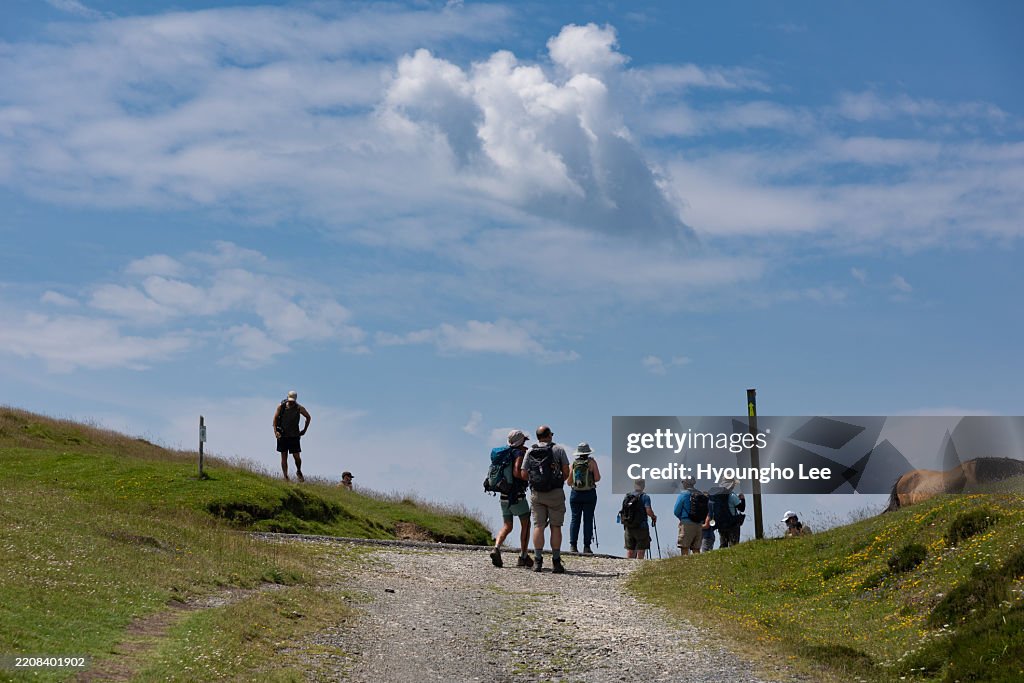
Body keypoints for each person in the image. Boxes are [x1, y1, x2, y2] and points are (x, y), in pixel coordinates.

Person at [518, 425, 571, 573]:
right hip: (555, 492)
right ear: (548, 435)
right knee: (556, 527)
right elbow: (566, 471)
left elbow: (523, 473)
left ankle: (538, 561)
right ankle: (556, 562)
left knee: (538, 526)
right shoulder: (558, 450)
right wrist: (557, 480)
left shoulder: (530, 450)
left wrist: (535, 481)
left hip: (537, 494)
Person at [489, 430, 534, 569]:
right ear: (520, 442)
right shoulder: (518, 454)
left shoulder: (504, 453)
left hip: (503, 495)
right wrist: (529, 476)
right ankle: (523, 556)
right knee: (526, 524)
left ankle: (496, 548)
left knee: (507, 526)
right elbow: (516, 472)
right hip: (516, 495)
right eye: (524, 441)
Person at [568, 442, 601, 554]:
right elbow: (597, 478)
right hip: (589, 494)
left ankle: (573, 545)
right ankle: (586, 547)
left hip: (575, 494)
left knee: (574, 520)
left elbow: (568, 482)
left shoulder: (574, 463)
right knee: (588, 520)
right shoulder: (592, 462)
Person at [273, 390, 310, 482]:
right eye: (290, 400)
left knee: (296, 456)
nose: (291, 402)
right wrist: (275, 432)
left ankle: (298, 471)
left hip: (294, 435)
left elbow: (308, 417)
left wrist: (304, 430)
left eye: (292, 400)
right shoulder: (281, 407)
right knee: (284, 456)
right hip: (282, 435)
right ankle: (285, 477)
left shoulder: (299, 408)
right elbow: (275, 419)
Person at [621, 478, 657, 559]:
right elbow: (648, 510)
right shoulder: (645, 497)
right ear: (643, 486)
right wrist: (653, 517)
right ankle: (639, 566)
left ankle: (628, 567)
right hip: (641, 527)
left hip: (629, 526)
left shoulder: (627, 496)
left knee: (630, 549)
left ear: (634, 485)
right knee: (641, 549)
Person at [709, 478, 745, 548]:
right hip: (732, 523)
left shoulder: (717, 495)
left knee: (723, 544)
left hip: (721, 523)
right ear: (731, 485)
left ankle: (721, 558)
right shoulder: (732, 495)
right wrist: (742, 499)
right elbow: (742, 508)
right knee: (734, 545)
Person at [673, 477, 704, 555]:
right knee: (696, 549)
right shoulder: (700, 494)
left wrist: (681, 519)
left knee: (684, 548)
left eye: (683, 482)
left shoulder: (684, 494)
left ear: (686, 483)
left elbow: (676, 511)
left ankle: (685, 566)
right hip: (699, 524)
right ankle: (698, 566)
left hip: (686, 524)